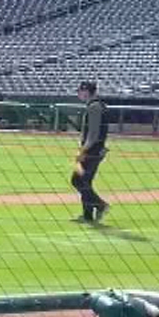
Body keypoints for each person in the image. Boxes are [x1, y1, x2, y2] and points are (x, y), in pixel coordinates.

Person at [73, 80, 111, 223]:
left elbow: (93, 134)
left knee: (77, 180)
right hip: (96, 149)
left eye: (81, 90)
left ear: (87, 91)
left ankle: (100, 205)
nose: (79, 93)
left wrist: (82, 150)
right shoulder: (98, 105)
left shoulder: (94, 107)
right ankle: (88, 216)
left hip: (92, 150)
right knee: (85, 181)